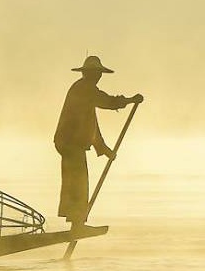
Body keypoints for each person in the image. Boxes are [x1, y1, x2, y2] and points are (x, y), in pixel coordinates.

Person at [55, 56, 142, 225]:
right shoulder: (84, 89)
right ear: (87, 73)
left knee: (76, 181)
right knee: (78, 181)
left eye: (99, 74)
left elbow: (91, 126)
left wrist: (104, 149)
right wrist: (130, 100)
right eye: (96, 73)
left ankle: (76, 220)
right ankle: (77, 220)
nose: (98, 77)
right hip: (69, 142)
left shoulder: (85, 90)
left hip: (69, 142)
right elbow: (107, 101)